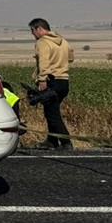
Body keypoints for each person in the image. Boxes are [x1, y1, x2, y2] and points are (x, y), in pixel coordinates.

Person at [28, 18, 74, 149]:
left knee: (52, 114)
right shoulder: (62, 40)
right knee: (50, 111)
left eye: (32, 30)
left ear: (40, 29)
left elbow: (44, 61)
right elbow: (71, 58)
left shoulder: (42, 42)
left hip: (51, 81)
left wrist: (42, 79)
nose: (32, 34)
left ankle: (66, 142)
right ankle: (52, 140)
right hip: (64, 82)